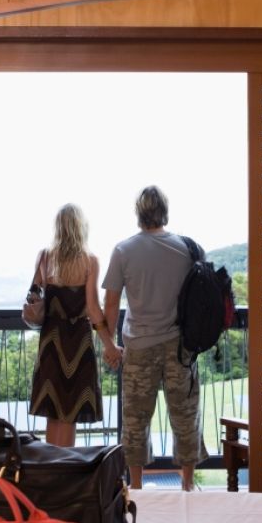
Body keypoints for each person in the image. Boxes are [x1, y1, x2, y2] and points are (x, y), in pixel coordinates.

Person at [102, 186, 207, 491]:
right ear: (164, 210)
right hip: (179, 347)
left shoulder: (123, 251)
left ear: (139, 213)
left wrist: (109, 344)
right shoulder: (187, 248)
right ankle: (187, 485)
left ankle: (136, 487)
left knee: (135, 419)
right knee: (185, 415)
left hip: (139, 347)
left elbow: (111, 304)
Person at [28, 204, 113, 447]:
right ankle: (65, 472)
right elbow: (93, 309)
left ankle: (51, 472)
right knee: (70, 413)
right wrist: (110, 345)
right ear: (81, 227)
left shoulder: (45, 257)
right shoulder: (90, 261)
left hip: (51, 341)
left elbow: (33, 296)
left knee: (53, 412)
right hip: (78, 342)